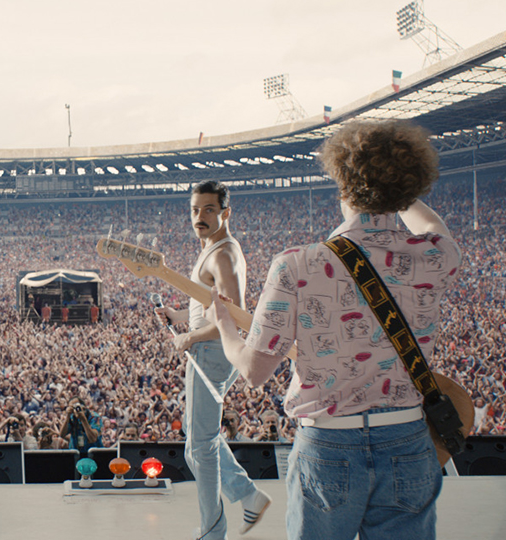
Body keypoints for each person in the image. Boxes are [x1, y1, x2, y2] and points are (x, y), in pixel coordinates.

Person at [206, 120, 460, 540]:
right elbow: (433, 226)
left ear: (343, 187)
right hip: (408, 438)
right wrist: (399, 192)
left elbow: (253, 371)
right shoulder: (432, 256)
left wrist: (224, 326)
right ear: (406, 189)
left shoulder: (297, 264)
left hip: (328, 445)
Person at [157, 180, 271, 539]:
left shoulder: (222, 253)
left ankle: (213, 529)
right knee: (198, 437)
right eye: (194, 210)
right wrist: (180, 316)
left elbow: (233, 315)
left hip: (210, 352)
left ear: (225, 212)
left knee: (200, 447)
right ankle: (248, 496)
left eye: (208, 209)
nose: (199, 217)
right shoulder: (213, 248)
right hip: (208, 350)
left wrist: (190, 336)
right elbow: (211, 305)